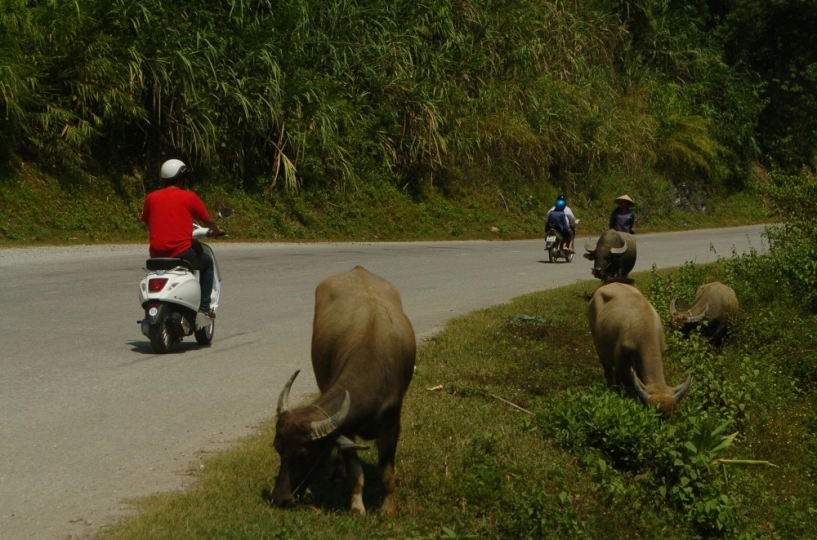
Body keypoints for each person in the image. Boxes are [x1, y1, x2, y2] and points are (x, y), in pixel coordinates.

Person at [141, 159, 224, 318]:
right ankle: (205, 306)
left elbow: (148, 222)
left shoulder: (151, 198)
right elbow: (206, 220)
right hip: (181, 253)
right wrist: (216, 230)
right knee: (206, 263)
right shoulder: (189, 197)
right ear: (181, 179)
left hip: (156, 254)